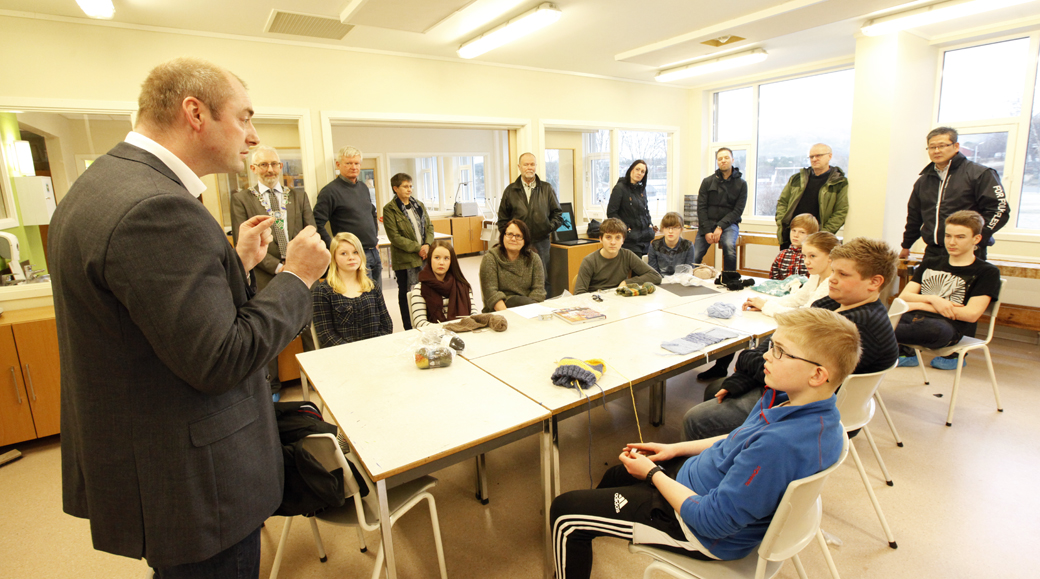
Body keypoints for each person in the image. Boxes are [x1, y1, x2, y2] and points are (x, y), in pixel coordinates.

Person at [49, 57, 330, 577]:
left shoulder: (107, 184)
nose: (252, 136)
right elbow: (219, 358)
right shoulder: (155, 208)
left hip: (157, 453)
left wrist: (235, 263)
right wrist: (297, 277)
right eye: (244, 118)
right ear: (195, 113)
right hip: (197, 479)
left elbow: (152, 321)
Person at [551, 307, 855, 578]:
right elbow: (739, 439)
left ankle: (591, 525)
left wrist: (653, 475)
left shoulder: (780, 446)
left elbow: (712, 522)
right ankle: (603, 522)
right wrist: (675, 449)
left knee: (566, 512)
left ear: (817, 374)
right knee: (618, 473)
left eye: (780, 351)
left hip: (696, 528)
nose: (766, 355)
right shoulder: (800, 404)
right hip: (698, 483)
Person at [683, 237, 899, 442]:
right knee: (716, 389)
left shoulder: (851, 328)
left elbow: (782, 369)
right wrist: (748, 372)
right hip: (798, 389)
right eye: (833, 270)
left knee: (697, 419)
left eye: (843, 274)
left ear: (874, 282)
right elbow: (782, 336)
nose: (832, 278)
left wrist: (746, 361)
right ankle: (729, 453)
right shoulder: (836, 303)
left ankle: (708, 471)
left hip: (807, 410)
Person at [230, 145, 317, 395]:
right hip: (265, 274)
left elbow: (310, 231)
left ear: (281, 167)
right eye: (264, 165)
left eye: (274, 164)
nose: (270, 169)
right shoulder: (242, 199)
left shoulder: (298, 196)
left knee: (307, 325)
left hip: (300, 271)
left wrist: (296, 264)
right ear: (254, 169)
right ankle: (272, 386)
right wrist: (278, 267)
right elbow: (243, 238)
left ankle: (315, 377)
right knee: (269, 329)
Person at [699, 219, 823, 382]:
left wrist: (768, 305)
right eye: (794, 231)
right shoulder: (786, 255)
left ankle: (749, 373)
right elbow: (776, 281)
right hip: (780, 299)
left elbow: (802, 307)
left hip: (789, 314)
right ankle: (723, 365)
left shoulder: (819, 277)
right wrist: (767, 302)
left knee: (758, 334)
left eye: (802, 232)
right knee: (740, 319)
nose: (808, 260)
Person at [896, 210, 1001, 370]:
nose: (952, 242)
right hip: (912, 317)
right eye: (948, 236)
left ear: (976, 239)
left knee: (877, 328)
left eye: (960, 237)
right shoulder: (930, 263)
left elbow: (971, 314)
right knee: (874, 317)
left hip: (947, 327)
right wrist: (933, 301)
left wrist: (916, 303)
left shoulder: (987, 272)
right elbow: (904, 297)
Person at [900, 127, 1010, 262]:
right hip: (933, 252)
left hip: (968, 252)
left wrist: (977, 236)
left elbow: (999, 209)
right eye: (932, 147)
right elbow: (914, 216)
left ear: (956, 146)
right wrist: (906, 244)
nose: (937, 151)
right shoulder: (923, 181)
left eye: (942, 146)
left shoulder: (980, 174)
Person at [314, 146, 382, 289]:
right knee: (363, 296)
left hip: (373, 252)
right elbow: (316, 223)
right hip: (353, 256)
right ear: (338, 165)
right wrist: (334, 246)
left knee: (377, 296)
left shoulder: (363, 188)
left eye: (357, 163)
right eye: (348, 163)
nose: (353, 167)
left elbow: (372, 212)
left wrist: (375, 238)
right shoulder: (330, 192)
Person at [497, 152, 563, 295]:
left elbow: (558, 214)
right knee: (519, 278)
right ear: (519, 167)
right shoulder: (510, 191)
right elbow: (502, 220)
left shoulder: (546, 189)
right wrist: (510, 238)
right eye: (526, 164)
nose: (529, 167)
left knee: (543, 278)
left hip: (541, 242)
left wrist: (547, 228)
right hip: (517, 243)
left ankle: (545, 310)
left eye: (532, 164)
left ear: (536, 166)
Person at [312, 232, 393, 347]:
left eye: (355, 252)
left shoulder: (372, 287)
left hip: (375, 352)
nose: (351, 257)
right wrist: (354, 352)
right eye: (343, 253)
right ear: (334, 257)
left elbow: (386, 325)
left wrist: (374, 348)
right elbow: (326, 335)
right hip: (342, 357)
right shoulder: (323, 292)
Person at [382, 172, 434, 330]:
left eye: (410, 186)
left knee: (427, 290)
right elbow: (395, 237)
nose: (409, 189)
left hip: (424, 256)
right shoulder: (390, 209)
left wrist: (427, 245)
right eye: (405, 186)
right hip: (404, 260)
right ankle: (408, 327)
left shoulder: (419, 205)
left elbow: (429, 227)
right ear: (395, 188)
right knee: (406, 294)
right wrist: (418, 248)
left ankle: (427, 321)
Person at [745, 231, 840, 316]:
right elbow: (797, 299)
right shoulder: (816, 275)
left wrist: (766, 306)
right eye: (805, 256)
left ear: (830, 256)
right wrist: (763, 302)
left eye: (812, 256)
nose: (806, 261)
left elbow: (804, 315)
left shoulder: (831, 284)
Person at [775, 143, 848, 249]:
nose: (814, 159)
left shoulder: (839, 182)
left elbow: (841, 211)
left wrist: (822, 233)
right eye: (811, 156)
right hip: (791, 236)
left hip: (817, 240)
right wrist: (783, 222)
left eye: (819, 155)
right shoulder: (797, 178)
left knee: (810, 265)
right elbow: (782, 202)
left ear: (829, 156)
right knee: (785, 263)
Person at [574, 217, 662, 294]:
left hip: (620, 301)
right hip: (596, 303)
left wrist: (627, 283)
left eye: (618, 238)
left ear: (623, 240)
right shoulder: (589, 261)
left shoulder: (627, 255)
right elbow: (579, 294)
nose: (613, 242)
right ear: (600, 239)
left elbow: (655, 276)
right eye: (608, 237)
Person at [694, 147, 747, 271]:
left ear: (732, 160)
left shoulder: (741, 184)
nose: (723, 161)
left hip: (729, 224)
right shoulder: (707, 182)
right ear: (717, 162)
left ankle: (729, 280)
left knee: (729, 247)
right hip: (707, 224)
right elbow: (701, 208)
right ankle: (688, 281)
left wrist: (720, 227)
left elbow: (738, 210)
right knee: (694, 255)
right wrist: (707, 230)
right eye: (720, 159)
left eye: (726, 158)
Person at [409, 239, 481, 328]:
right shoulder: (420, 289)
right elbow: (420, 323)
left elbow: (473, 314)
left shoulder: (462, 285)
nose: (441, 262)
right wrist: (448, 329)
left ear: (451, 261)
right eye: (437, 258)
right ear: (430, 259)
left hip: (463, 332)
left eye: (446, 258)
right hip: (434, 337)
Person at [479, 219, 546, 312]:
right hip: (499, 311)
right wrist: (510, 316)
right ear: (503, 236)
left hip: (528, 307)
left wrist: (529, 311)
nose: (513, 239)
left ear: (524, 240)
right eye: (509, 234)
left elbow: (538, 291)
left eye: (518, 236)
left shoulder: (534, 258)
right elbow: (491, 294)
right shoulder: (490, 258)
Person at [608, 159, 656, 257]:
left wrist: (650, 224)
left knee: (646, 269)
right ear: (631, 170)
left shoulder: (642, 190)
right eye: (637, 169)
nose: (639, 173)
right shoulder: (620, 188)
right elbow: (611, 213)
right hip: (630, 240)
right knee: (635, 270)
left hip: (645, 238)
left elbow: (645, 210)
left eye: (642, 171)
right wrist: (625, 228)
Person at [769, 213, 818, 280]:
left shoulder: (814, 256)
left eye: (802, 232)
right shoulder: (782, 254)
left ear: (811, 235)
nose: (796, 235)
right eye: (794, 230)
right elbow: (773, 279)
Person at [648, 211, 696, 276]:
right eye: (667, 228)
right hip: (660, 282)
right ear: (663, 229)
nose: (670, 231)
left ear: (681, 229)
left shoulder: (688, 246)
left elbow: (689, 272)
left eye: (675, 228)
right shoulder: (654, 245)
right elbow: (653, 273)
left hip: (681, 282)